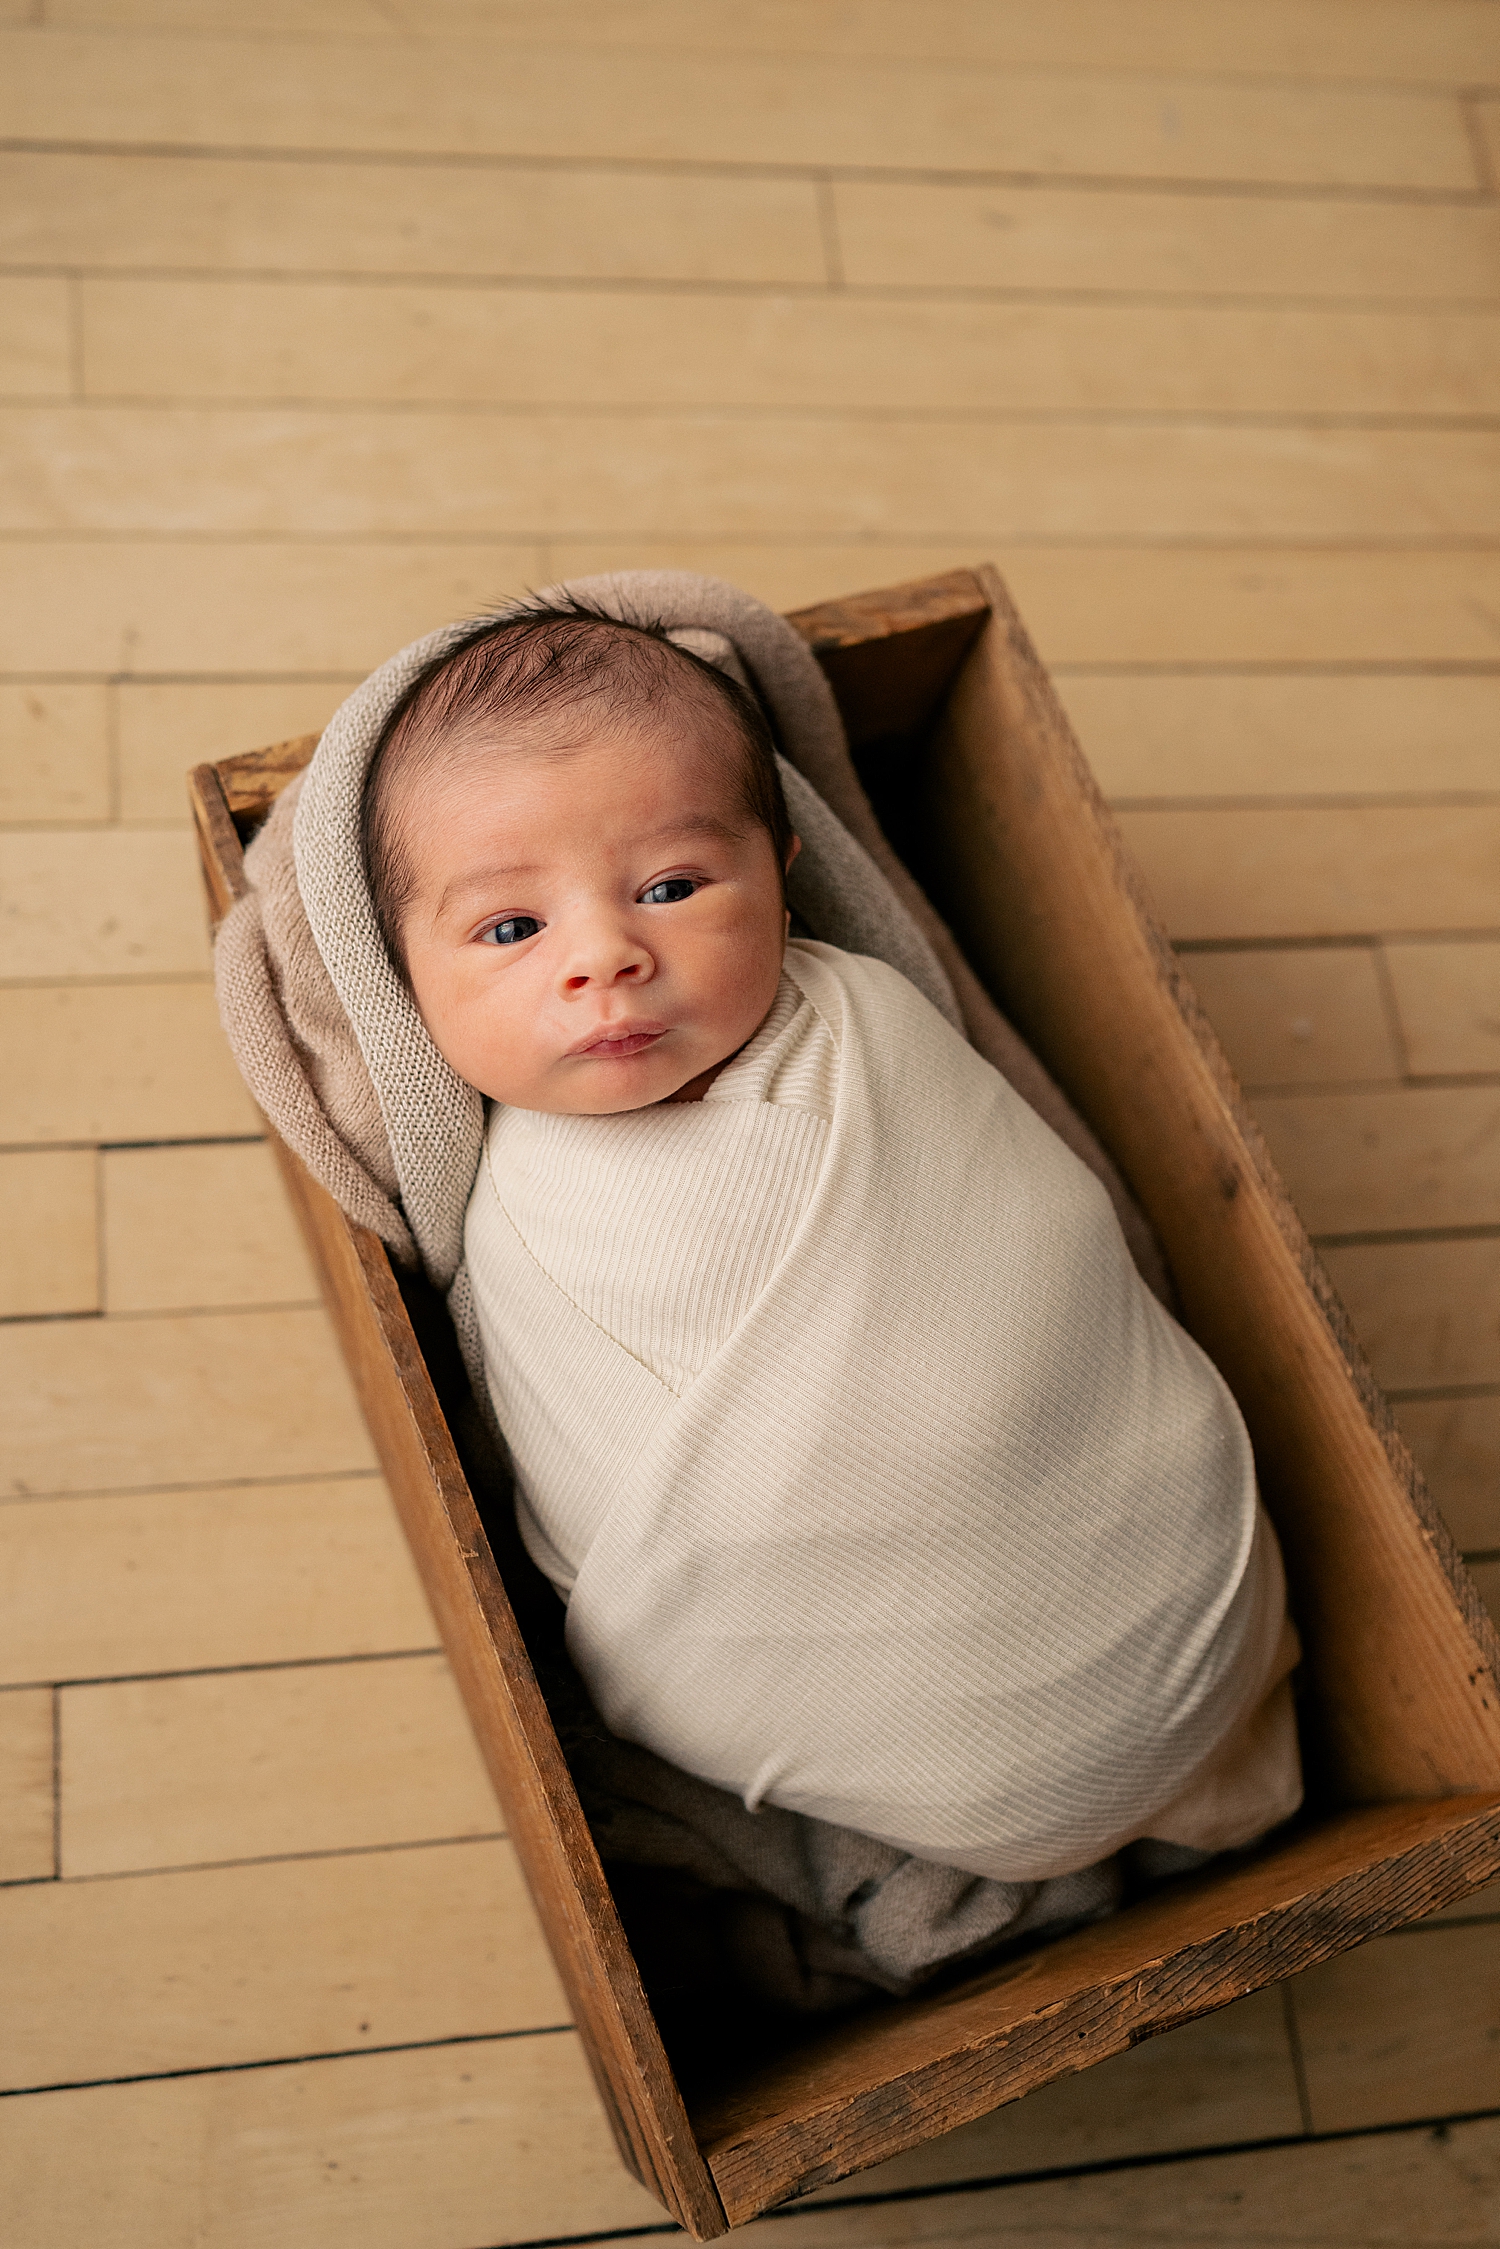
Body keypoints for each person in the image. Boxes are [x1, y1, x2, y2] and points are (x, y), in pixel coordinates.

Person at [354, 593, 1302, 1902]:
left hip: (1143, 1558)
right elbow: (574, 1498)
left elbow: (1044, 1254)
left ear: (784, 871)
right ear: (402, 975)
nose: (606, 957)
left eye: (673, 886)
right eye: (512, 929)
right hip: (860, 1703)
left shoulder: (867, 1029)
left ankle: (1149, 1747)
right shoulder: (514, 1209)